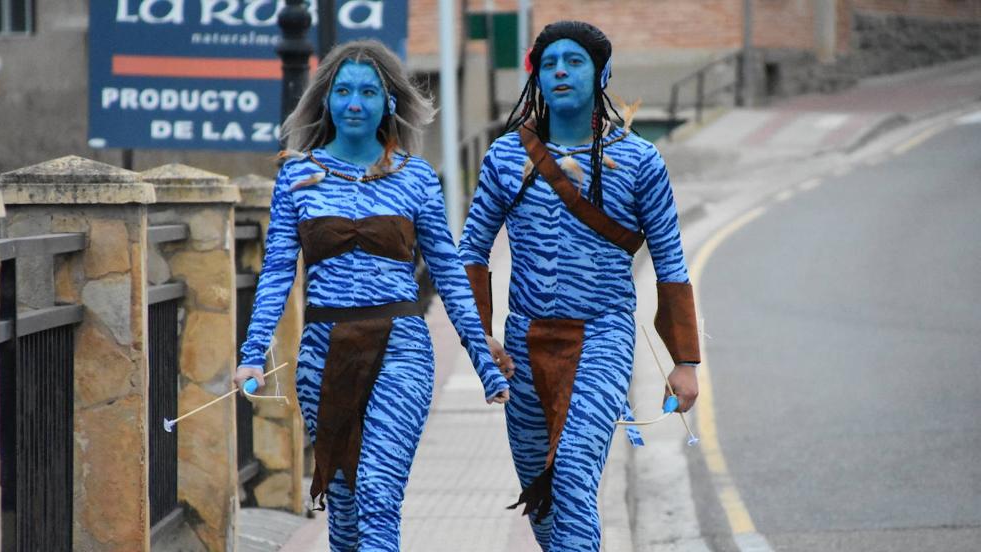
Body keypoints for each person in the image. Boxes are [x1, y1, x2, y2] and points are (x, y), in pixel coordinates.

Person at [233, 39, 510, 552]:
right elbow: (275, 272)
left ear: (389, 102)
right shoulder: (297, 176)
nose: (354, 102)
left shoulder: (417, 178)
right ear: (327, 100)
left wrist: (483, 358)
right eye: (343, 91)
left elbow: (449, 274)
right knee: (345, 509)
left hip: (401, 349)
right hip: (324, 354)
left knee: (379, 493)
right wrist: (252, 355)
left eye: (368, 91)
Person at [459, 21, 701, 551]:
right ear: (537, 78)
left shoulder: (640, 161)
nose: (561, 72)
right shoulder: (505, 157)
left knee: (569, 472)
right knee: (539, 494)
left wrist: (684, 360)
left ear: (601, 73)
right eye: (549, 64)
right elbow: (471, 251)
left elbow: (671, 261)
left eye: (574, 62)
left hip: (603, 337)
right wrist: (480, 339)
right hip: (523, 342)